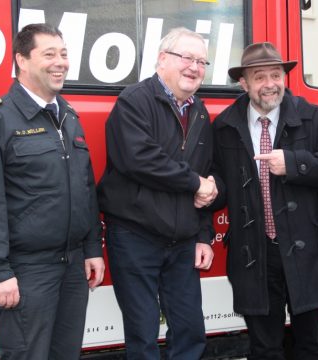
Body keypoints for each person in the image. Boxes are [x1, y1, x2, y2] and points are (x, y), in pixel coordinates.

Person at [0, 23, 105, 359]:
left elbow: (84, 188)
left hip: (71, 267)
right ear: (22, 61)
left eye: (64, 54)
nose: (61, 62)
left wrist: (91, 248)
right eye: (49, 54)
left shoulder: (68, 116)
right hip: (28, 270)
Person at [210, 42, 318, 360]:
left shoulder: (314, 117)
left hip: (309, 251)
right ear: (244, 83)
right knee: (264, 348)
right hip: (255, 255)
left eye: (276, 75)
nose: (270, 84)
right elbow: (219, 180)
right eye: (259, 77)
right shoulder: (224, 127)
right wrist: (209, 189)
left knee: (311, 345)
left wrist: (295, 163)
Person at [96, 27, 216, 360]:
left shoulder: (200, 112)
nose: (194, 67)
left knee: (191, 331)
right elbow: (140, 160)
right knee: (143, 333)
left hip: (182, 243)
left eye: (202, 61)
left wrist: (204, 235)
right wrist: (194, 183)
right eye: (187, 58)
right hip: (136, 237)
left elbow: (206, 178)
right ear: (163, 59)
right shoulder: (134, 100)